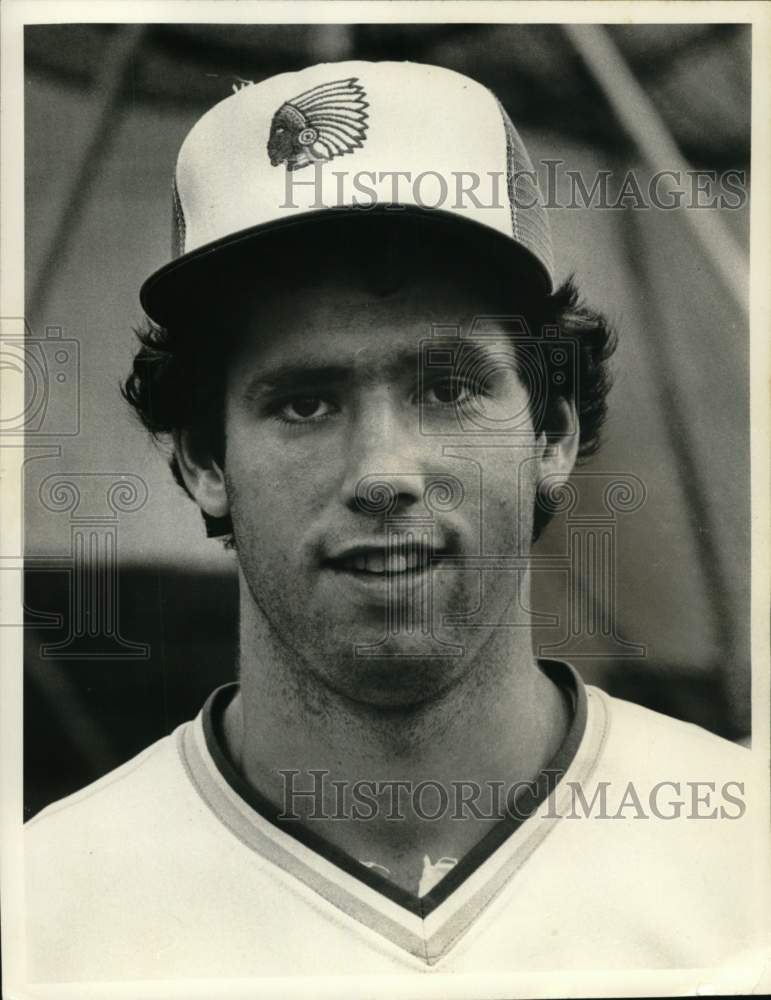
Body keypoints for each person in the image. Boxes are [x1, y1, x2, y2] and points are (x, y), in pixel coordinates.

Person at [25, 60, 762, 982]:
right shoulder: (43, 913)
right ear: (204, 462)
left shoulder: (745, 863)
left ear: (554, 435)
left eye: (448, 388)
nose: (382, 475)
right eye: (303, 403)